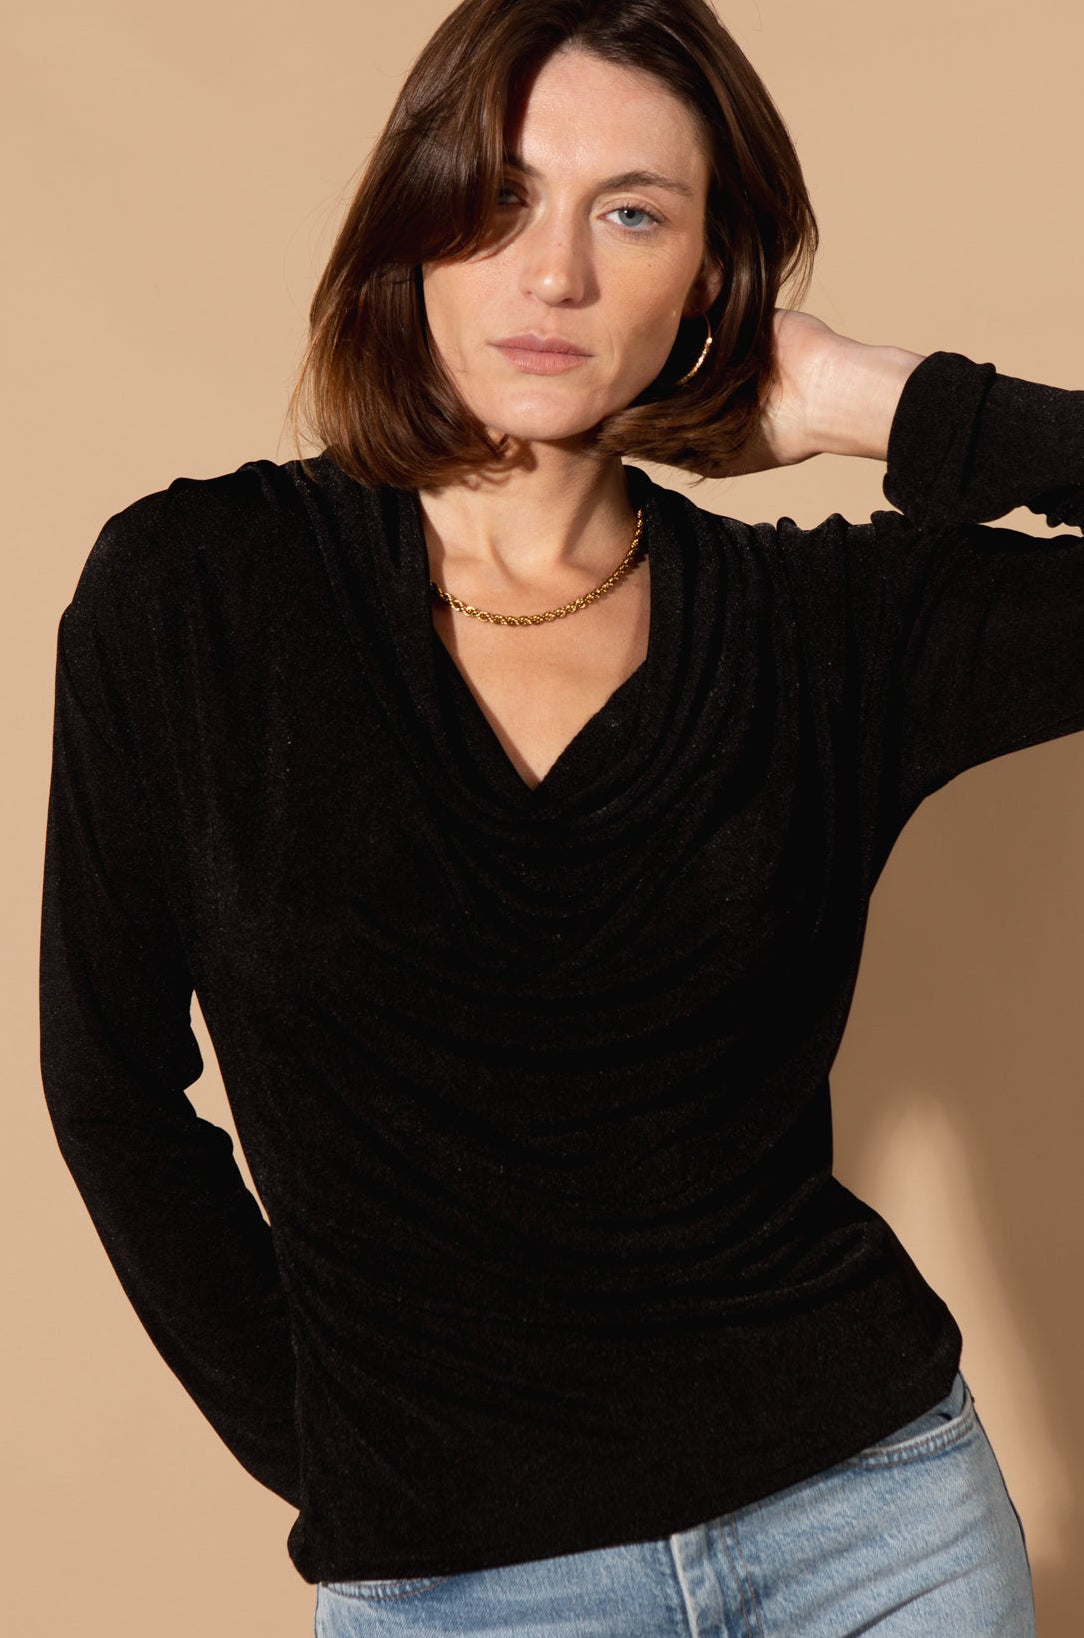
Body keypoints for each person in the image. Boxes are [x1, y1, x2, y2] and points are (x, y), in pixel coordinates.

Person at [38, 0, 1083, 1632]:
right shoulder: (195, 595)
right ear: (414, 222)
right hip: (464, 1581)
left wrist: (875, 399)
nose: (556, 275)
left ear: (715, 276)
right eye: (502, 197)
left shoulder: (828, 632)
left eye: (635, 213)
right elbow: (107, 1081)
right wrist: (335, 1452)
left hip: (878, 1537)